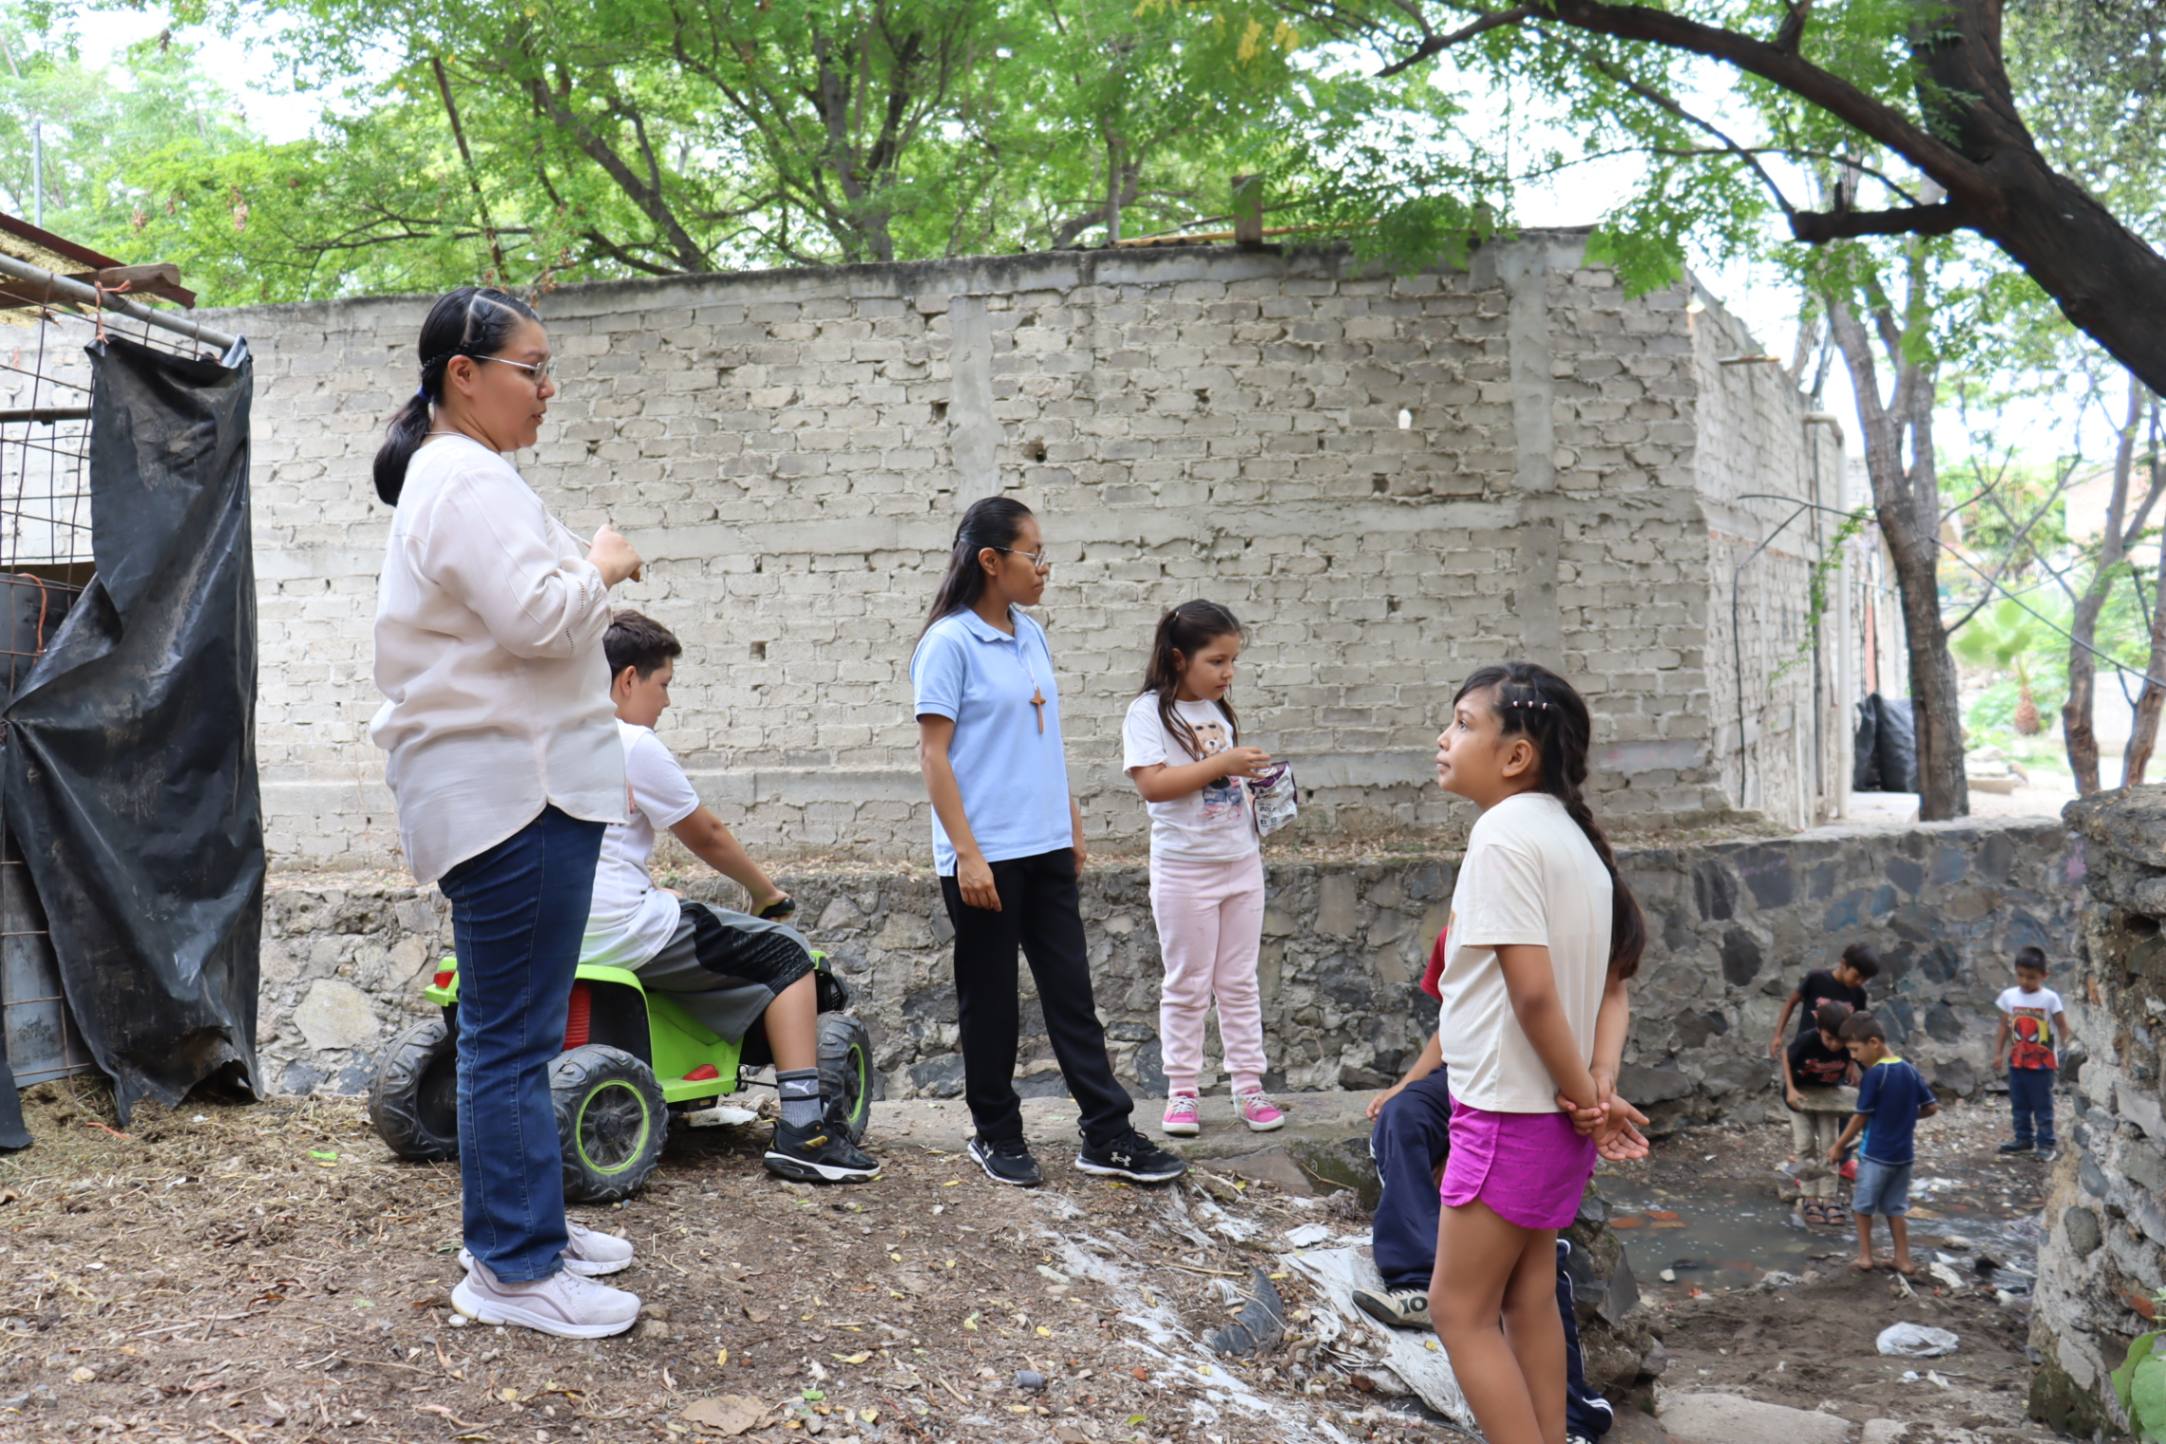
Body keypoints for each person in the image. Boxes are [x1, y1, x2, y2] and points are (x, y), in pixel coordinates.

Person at [369, 286, 643, 1339]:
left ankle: (525, 1227)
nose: (547, 388)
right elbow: (537, 619)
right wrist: (602, 566)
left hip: (523, 786)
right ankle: (513, 1269)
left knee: (517, 1032)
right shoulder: (461, 475)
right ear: (463, 375)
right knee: (509, 1038)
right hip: (509, 791)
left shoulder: (469, 473)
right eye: (532, 369)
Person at [911, 498, 1187, 1189]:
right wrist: (967, 854)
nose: (1044, 567)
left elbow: (1042, 735)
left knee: (1072, 992)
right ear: (990, 561)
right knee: (991, 999)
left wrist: (1067, 816)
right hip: (984, 855)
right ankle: (997, 1133)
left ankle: (1107, 1131)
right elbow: (933, 757)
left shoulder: (1029, 635)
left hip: (1044, 844)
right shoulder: (947, 644)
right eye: (1034, 554)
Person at [1425, 662, 1649, 1444]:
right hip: (1551, 1120)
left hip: (1510, 1113)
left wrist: (1587, 1097)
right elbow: (1609, 988)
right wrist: (1593, 1090)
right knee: (1526, 1299)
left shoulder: (1503, 835)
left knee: (1457, 1311)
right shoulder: (1574, 840)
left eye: (1463, 723)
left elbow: (1535, 995)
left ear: (1516, 755)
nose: (1445, 738)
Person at [582, 611, 879, 1184]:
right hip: (620, 928)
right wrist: (764, 890)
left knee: (693, 923)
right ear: (627, 680)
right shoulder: (633, 743)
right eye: (663, 684)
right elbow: (706, 834)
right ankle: (804, 1131)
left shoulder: (552, 733)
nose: (666, 703)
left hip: (563, 925)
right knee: (786, 954)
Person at [1354, 929, 1617, 1442]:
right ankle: (1415, 1273)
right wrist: (1408, 1083)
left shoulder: (1563, 905)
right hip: (1472, 1082)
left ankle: (1573, 1416)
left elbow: (1552, 999)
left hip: (1529, 1094)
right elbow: (1455, 1016)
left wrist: (1592, 1087)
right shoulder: (1464, 921)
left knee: (1526, 1285)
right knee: (1403, 1116)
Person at [1121, 601, 1283, 1137]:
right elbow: (1153, 785)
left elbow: (1219, 784)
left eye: (1232, 661)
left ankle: (1248, 1087)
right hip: (1185, 870)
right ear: (1177, 658)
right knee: (1188, 983)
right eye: (1216, 661)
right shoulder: (1148, 713)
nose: (1227, 673)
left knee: (1238, 981)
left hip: (1241, 862)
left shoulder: (1217, 712)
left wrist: (1257, 785)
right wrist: (1223, 765)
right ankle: (1183, 1092)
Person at [1828, 1011, 1938, 1275]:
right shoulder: (1909, 1069)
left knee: (1862, 1207)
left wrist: (1839, 1146)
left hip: (1876, 1154)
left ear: (1874, 1043)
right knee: (1895, 1208)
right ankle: (1904, 1259)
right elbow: (1931, 1107)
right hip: (1904, 1156)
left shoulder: (1875, 1075)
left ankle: (1865, 1256)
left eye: (1855, 1050)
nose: (1853, 1057)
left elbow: (1860, 1117)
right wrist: (1906, 1114)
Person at [1993, 945, 2077, 1161]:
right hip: (2017, 1062)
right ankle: (2023, 1139)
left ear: (2044, 976)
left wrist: (2068, 1048)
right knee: (2019, 1104)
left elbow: (2061, 1025)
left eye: (2030, 977)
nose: (2024, 981)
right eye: (2020, 975)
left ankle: (2046, 1144)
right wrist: (1998, 1053)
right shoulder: (2009, 996)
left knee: (2042, 1105)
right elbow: (2004, 1026)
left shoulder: (2050, 998)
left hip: (2042, 1064)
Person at [1781, 1001, 1858, 1226]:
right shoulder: (1808, 1040)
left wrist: (1851, 1065)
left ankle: (1828, 1197)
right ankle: (1809, 1196)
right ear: (1819, 1030)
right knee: (1805, 1145)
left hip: (1828, 1096)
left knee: (1831, 1145)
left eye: (1840, 1040)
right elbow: (1787, 1056)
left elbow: (1855, 1052)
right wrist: (1791, 1089)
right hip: (1801, 1097)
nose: (1834, 1045)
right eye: (1829, 1039)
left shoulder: (1847, 1044)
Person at [1768, 942, 1879, 1053]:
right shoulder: (1816, 979)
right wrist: (1778, 1035)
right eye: (1856, 976)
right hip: (1804, 1051)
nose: (1860, 982)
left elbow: (1858, 1028)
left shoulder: (1859, 995)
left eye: (1864, 979)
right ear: (1843, 964)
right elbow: (1790, 1003)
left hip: (1835, 1059)